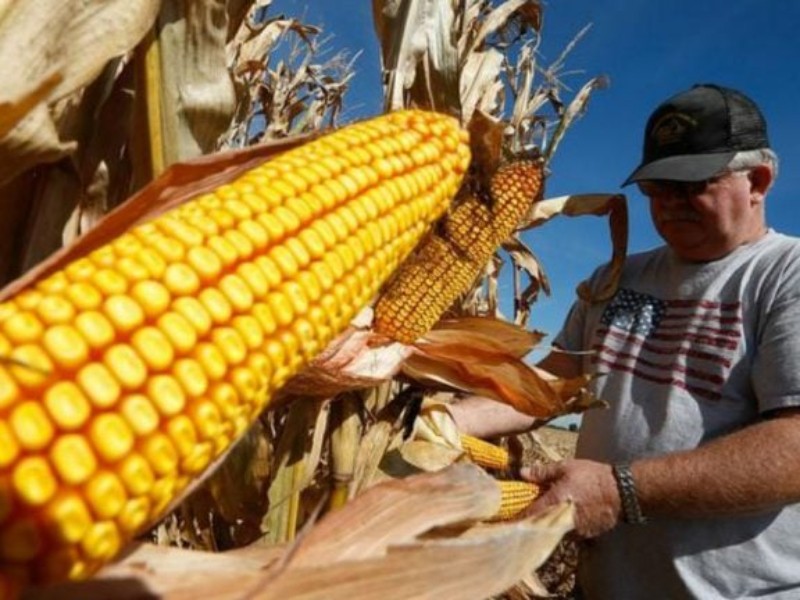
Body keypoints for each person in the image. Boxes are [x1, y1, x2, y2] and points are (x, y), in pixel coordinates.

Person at [449, 83, 800, 599]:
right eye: (657, 188)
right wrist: (451, 423)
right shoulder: (617, 276)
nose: (669, 204)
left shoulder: (784, 275)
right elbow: (552, 381)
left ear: (759, 181)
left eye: (691, 185)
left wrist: (621, 491)